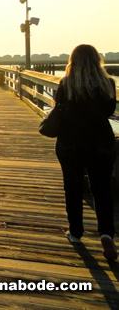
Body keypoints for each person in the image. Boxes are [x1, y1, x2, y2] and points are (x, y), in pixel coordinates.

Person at [54, 44, 117, 260]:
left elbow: (59, 107)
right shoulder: (108, 83)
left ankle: (76, 232)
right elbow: (109, 110)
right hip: (101, 143)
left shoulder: (66, 83)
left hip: (71, 144)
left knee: (72, 187)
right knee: (102, 189)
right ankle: (107, 234)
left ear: (73, 60)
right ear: (97, 60)